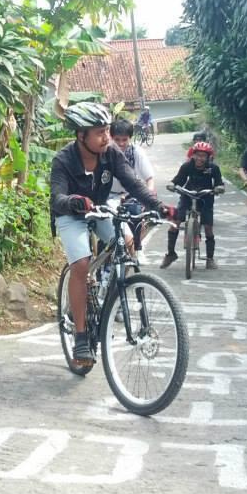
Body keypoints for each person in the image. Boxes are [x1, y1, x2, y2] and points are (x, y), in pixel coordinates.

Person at [50, 102, 167, 364]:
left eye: (107, 131)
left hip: (101, 209)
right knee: (80, 264)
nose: (107, 137)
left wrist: (159, 207)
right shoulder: (63, 160)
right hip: (71, 215)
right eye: (100, 132)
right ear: (81, 135)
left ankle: (110, 296)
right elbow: (57, 197)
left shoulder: (111, 154)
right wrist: (73, 202)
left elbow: (134, 183)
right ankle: (81, 336)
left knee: (126, 243)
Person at [160, 141, 224, 270]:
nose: (200, 158)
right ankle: (170, 254)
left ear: (208, 157)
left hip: (205, 197)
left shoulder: (213, 168)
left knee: (208, 228)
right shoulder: (187, 167)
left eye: (203, 156)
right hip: (187, 195)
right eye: (198, 155)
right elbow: (178, 180)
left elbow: (219, 183)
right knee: (175, 223)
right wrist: (172, 185)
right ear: (193, 155)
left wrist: (218, 188)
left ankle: (210, 259)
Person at [107, 119, 156, 251]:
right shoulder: (103, 153)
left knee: (136, 216)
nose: (121, 144)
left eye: (125, 139)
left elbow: (149, 177)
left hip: (131, 195)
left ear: (130, 138)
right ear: (111, 138)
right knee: (105, 224)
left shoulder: (136, 153)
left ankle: (137, 249)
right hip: (108, 195)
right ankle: (103, 259)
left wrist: (149, 195)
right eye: (117, 139)